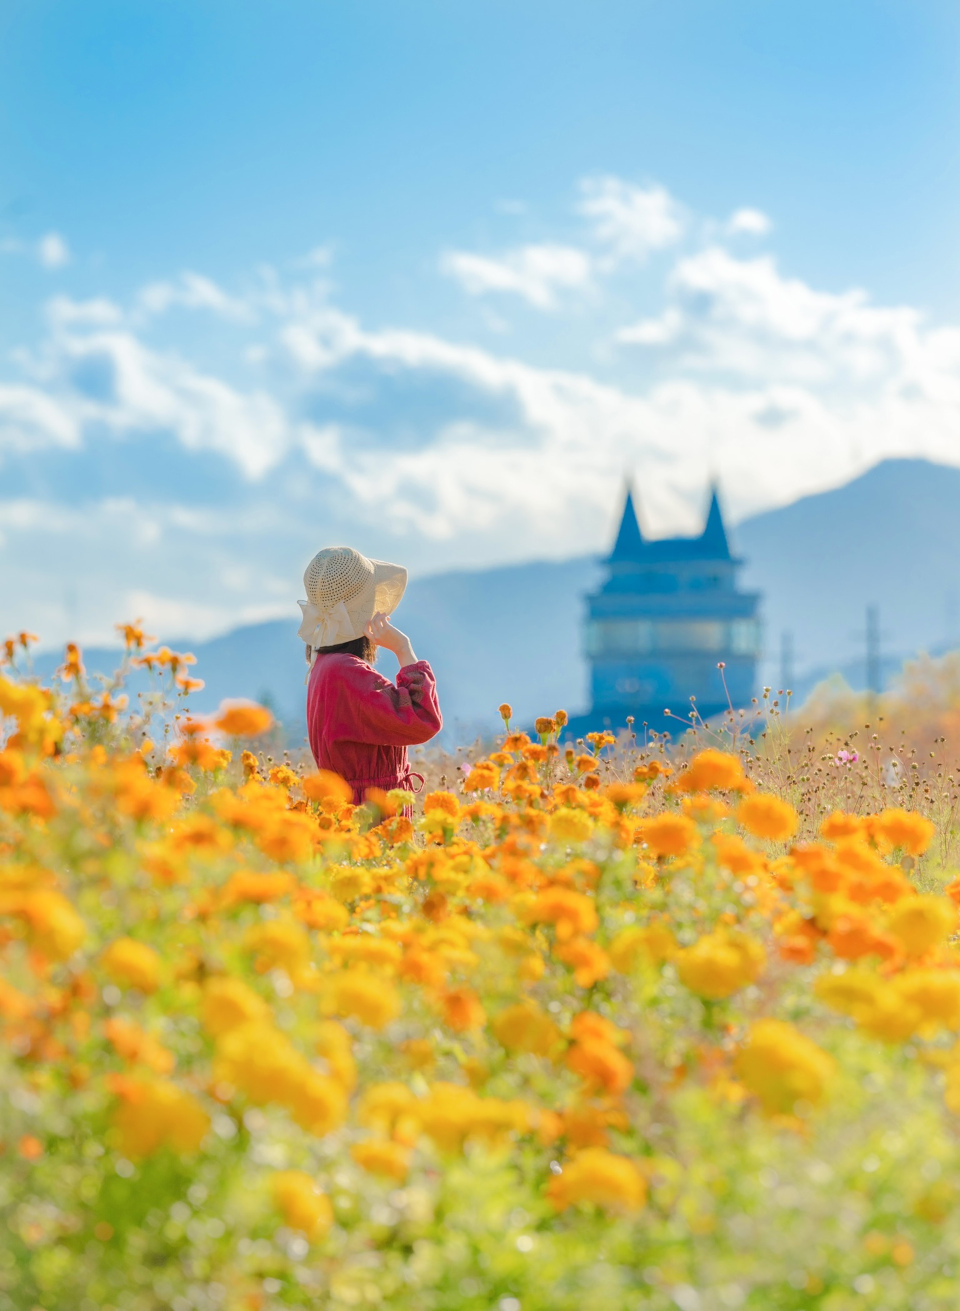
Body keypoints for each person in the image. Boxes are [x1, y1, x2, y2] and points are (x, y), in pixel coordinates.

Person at [298, 545, 442, 804]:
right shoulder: (346, 672)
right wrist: (403, 649)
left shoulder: (324, 664)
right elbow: (422, 720)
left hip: (348, 807)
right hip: (370, 812)